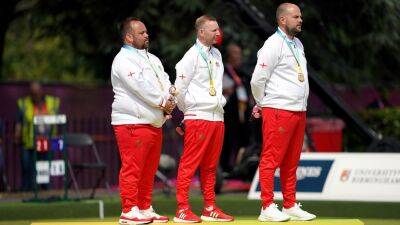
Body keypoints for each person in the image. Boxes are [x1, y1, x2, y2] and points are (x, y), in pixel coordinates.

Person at [250, 3, 316, 222]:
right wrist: (262, 103)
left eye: (300, 17)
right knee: (271, 158)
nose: (300, 20)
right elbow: (257, 79)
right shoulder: (272, 44)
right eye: (296, 17)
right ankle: (267, 206)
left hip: (298, 109)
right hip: (278, 108)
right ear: (282, 20)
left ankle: (289, 204)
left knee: (292, 161)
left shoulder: (298, 44)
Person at [111, 18, 175, 225]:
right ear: (129, 37)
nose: (147, 35)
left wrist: (170, 99)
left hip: (153, 122)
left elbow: (165, 81)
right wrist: (163, 102)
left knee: (148, 169)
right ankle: (129, 210)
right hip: (132, 121)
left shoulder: (153, 59)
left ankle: (144, 207)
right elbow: (138, 86)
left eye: (146, 32)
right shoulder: (122, 60)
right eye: (142, 33)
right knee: (133, 167)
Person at [173, 15, 234, 223]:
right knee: (189, 164)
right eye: (214, 30)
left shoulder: (216, 54)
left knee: (210, 166)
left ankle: (209, 207)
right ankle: (182, 209)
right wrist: (187, 111)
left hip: (217, 116)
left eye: (218, 29)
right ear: (201, 32)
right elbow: (178, 90)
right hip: (198, 116)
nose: (218, 33)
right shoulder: (190, 57)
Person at [15, 81, 60, 192]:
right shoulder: (24, 103)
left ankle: (46, 192)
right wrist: (17, 136)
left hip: (47, 142)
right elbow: (19, 122)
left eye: (36, 92)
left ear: (41, 91)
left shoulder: (52, 102)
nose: (34, 95)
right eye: (32, 93)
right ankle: (27, 192)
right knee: (28, 170)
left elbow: (58, 120)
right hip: (29, 143)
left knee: (45, 169)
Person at [221, 43, 250, 174]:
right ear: (229, 56)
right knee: (227, 141)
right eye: (235, 53)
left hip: (242, 114)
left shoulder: (243, 73)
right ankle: (224, 167)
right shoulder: (223, 70)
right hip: (227, 114)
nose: (239, 57)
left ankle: (241, 166)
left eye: (240, 53)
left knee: (243, 140)